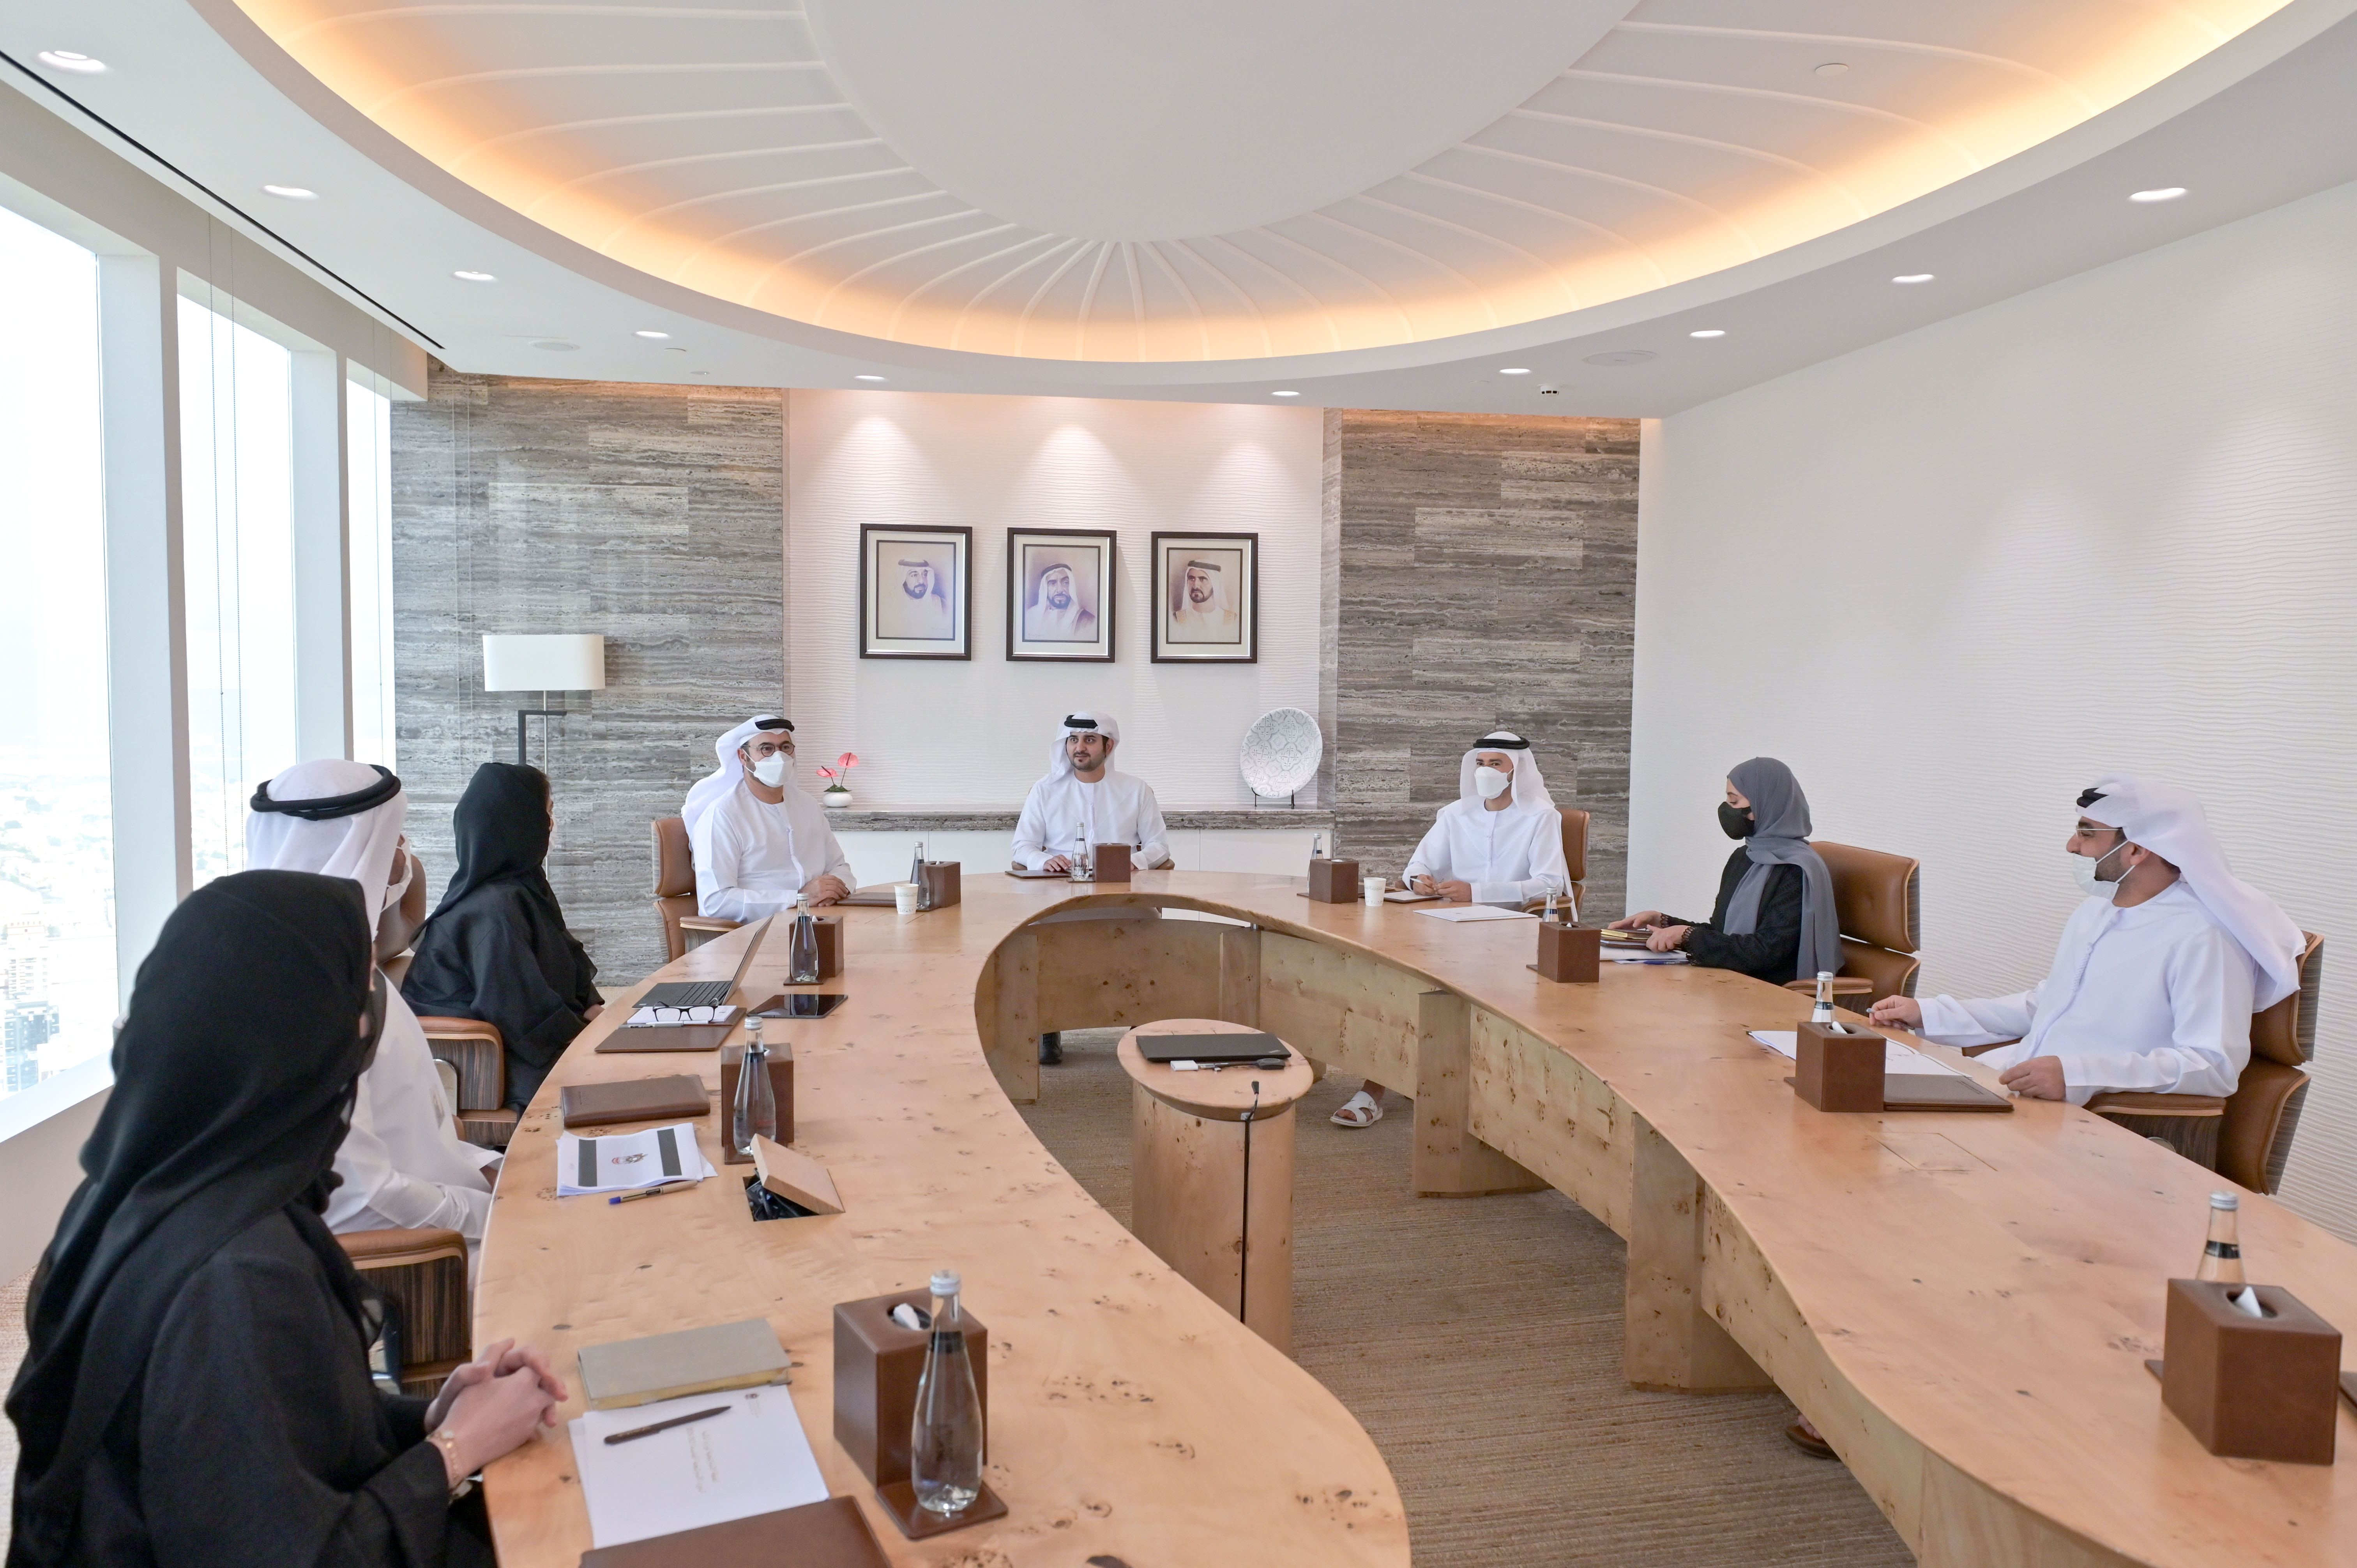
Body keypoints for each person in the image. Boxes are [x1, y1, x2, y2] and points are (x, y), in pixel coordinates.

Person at [4, 870, 566, 1566]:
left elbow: (274, 1434)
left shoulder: (132, 1197)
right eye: (355, 1010)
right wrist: (455, 1450)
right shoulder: (240, 1270)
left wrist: (433, 1414)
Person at [1869, 776, 2302, 1105]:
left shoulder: (2204, 936)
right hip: (2016, 1088)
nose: (2072, 846)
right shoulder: (2098, 912)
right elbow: (2051, 1005)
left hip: (2098, 1118)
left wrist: (2077, 1075)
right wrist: (1931, 1013)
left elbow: (2213, 1065)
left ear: (2137, 850)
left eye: (2087, 833)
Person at [247, 760, 500, 1252]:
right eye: (396, 838)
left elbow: (415, 1136)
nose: (405, 852)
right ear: (363, 850)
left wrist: (496, 1171)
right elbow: (362, 1199)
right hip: (419, 1259)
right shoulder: (309, 998)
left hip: (446, 1215)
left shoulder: (352, 966)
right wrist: (500, 1211)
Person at [1331, 732, 1570, 1129]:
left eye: (1496, 764)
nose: (1486, 771)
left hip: (1512, 933)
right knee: (1397, 984)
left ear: (1516, 770)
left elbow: (1550, 884)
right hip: (1448, 927)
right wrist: (1420, 880)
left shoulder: (1541, 817)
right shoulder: (1456, 814)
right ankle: (1375, 1088)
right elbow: (1417, 865)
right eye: (1481, 764)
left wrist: (1477, 892)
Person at [400, 763, 603, 1113]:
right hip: (495, 1069)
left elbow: (568, 957)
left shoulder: (523, 886)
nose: (551, 826)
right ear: (521, 821)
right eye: (547, 814)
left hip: (522, 1051)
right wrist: (599, 1039)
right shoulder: (491, 911)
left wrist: (595, 1010)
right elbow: (522, 1014)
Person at [1012, 712, 1172, 1064]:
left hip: (1124, 897)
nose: (1079, 748)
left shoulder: (1136, 790)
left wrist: (1135, 861)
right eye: (1073, 740)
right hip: (1059, 899)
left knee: (1151, 928)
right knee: (1041, 936)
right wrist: (1045, 860)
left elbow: (1159, 846)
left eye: (1088, 740)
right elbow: (1022, 847)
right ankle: (1048, 1027)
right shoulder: (1045, 790)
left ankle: (1142, 1023)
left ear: (1108, 746)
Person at [1609, 757, 1841, 984]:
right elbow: (1721, 933)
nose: (1727, 809)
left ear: (1765, 805)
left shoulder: (1797, 870)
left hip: (1770, 990)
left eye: (1734, 802)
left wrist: (1687, 936)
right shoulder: (1744, 857)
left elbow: (1766, 951)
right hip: (1729, 981)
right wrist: (1664, 922)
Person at [685, 715, 855, 922]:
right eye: (766, 749)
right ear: (743, 757)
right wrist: (799, 898)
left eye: (785, 748)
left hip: (820, 920)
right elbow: (716, 902)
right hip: (757, 931)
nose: (779, 757)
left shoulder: (807, 805)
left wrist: (831, 891)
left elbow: (840, 868)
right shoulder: (722, 815)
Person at [878, 556, 954, 641]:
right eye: (914, 575)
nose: (921, 581)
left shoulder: (941, 604)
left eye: (925, 575)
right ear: (902, 579)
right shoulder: (886, 606)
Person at [1168, 557, 1239, 642]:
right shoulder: (1176, 620)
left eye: (1203, 579)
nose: (1196, 586)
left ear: (1215, 584)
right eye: (1192, 579)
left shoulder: (1231, 620)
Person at [1024, 561, 1096, 643]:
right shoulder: (1031, 617)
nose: (1060, 590)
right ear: (1045, 589)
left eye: (1065, 583)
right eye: (1053, 584)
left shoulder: (1087, 621)